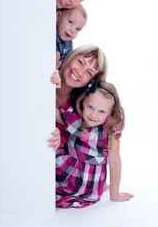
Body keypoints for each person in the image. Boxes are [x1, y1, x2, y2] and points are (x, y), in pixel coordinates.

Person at [54, 79, 134, 208]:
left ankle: (93, 187)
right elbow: (49, 110)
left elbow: (114, 160)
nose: (94, 115)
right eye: (90, 107)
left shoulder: (110, 128)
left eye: (101, 111)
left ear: (110, 113)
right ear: (83, 102)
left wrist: (115, 194)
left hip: (90, 181)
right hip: (66, 172)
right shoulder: (74, 118)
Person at [48, 43, 107, 155]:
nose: (80, 72)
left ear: (92, 83)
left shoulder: (79, 110)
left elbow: (69, 138)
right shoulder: (48, 68)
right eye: (80, 62)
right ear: (71, 56)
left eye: (89, 73)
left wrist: (59, 139)